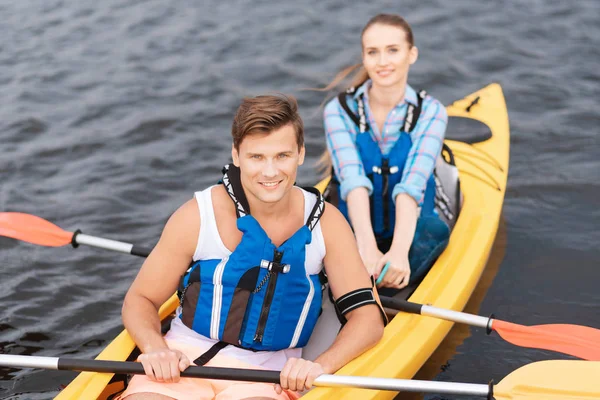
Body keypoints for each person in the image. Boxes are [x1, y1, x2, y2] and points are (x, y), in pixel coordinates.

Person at [119, 94, 386, 400]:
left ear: (300, 154)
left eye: (282, 156)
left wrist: (318, 366)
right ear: (236, 155)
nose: (270, 172)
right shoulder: (197, 215)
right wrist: (156, 350)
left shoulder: (328, 224)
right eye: (256, 157)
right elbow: (140, 299)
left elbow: (368, 318)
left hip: (268, 378)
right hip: (180, 364)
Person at [322, 14, 451, 296]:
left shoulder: (431, 112)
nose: (382, 62)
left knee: (436, 233)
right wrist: (365, 247)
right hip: (357, 221)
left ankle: (392, 283)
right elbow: (353, 182)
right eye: (373, 52)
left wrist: (398, 252)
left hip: (410, 224)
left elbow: (411, 187)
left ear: (411, 54)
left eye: (393, 50)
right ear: (364, 57)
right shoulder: (339, 110)